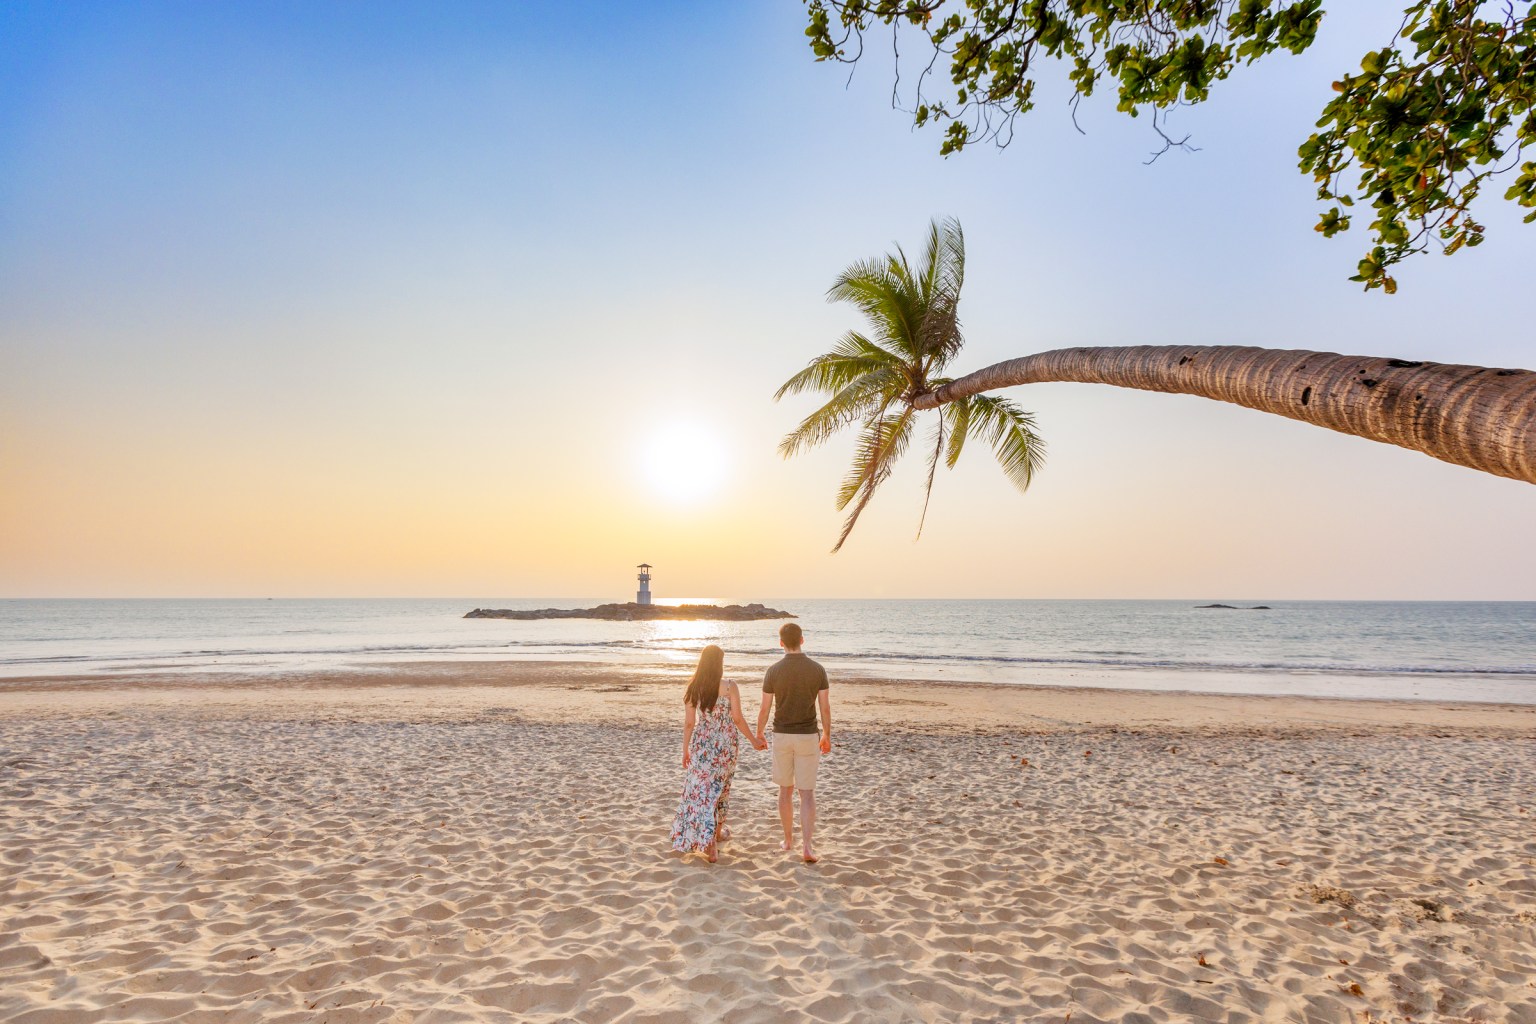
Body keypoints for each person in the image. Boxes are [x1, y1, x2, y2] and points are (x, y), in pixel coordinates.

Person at [669, 645, 765, 863]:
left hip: (702, 746)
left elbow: (689, 723)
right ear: (719, 664)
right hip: (726, 747)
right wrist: (754, 741)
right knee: (722, 790)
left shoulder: (694, 688)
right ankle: (715, 836)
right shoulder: (730, 687)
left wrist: (685, 749)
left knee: (702, 792)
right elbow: (738, 719)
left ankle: (711, 839)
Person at [756, 622, 831, 864]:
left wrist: (759, 733)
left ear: (781, 643)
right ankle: (807, 846)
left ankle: (788, 840)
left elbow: (765, 708)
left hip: (782, 735)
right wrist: (827, 735)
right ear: (802, 640)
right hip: (808, 735)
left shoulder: (773, 671)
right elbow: (824, 707)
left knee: (785, 790)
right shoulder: (817, 669)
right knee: (807, 793)